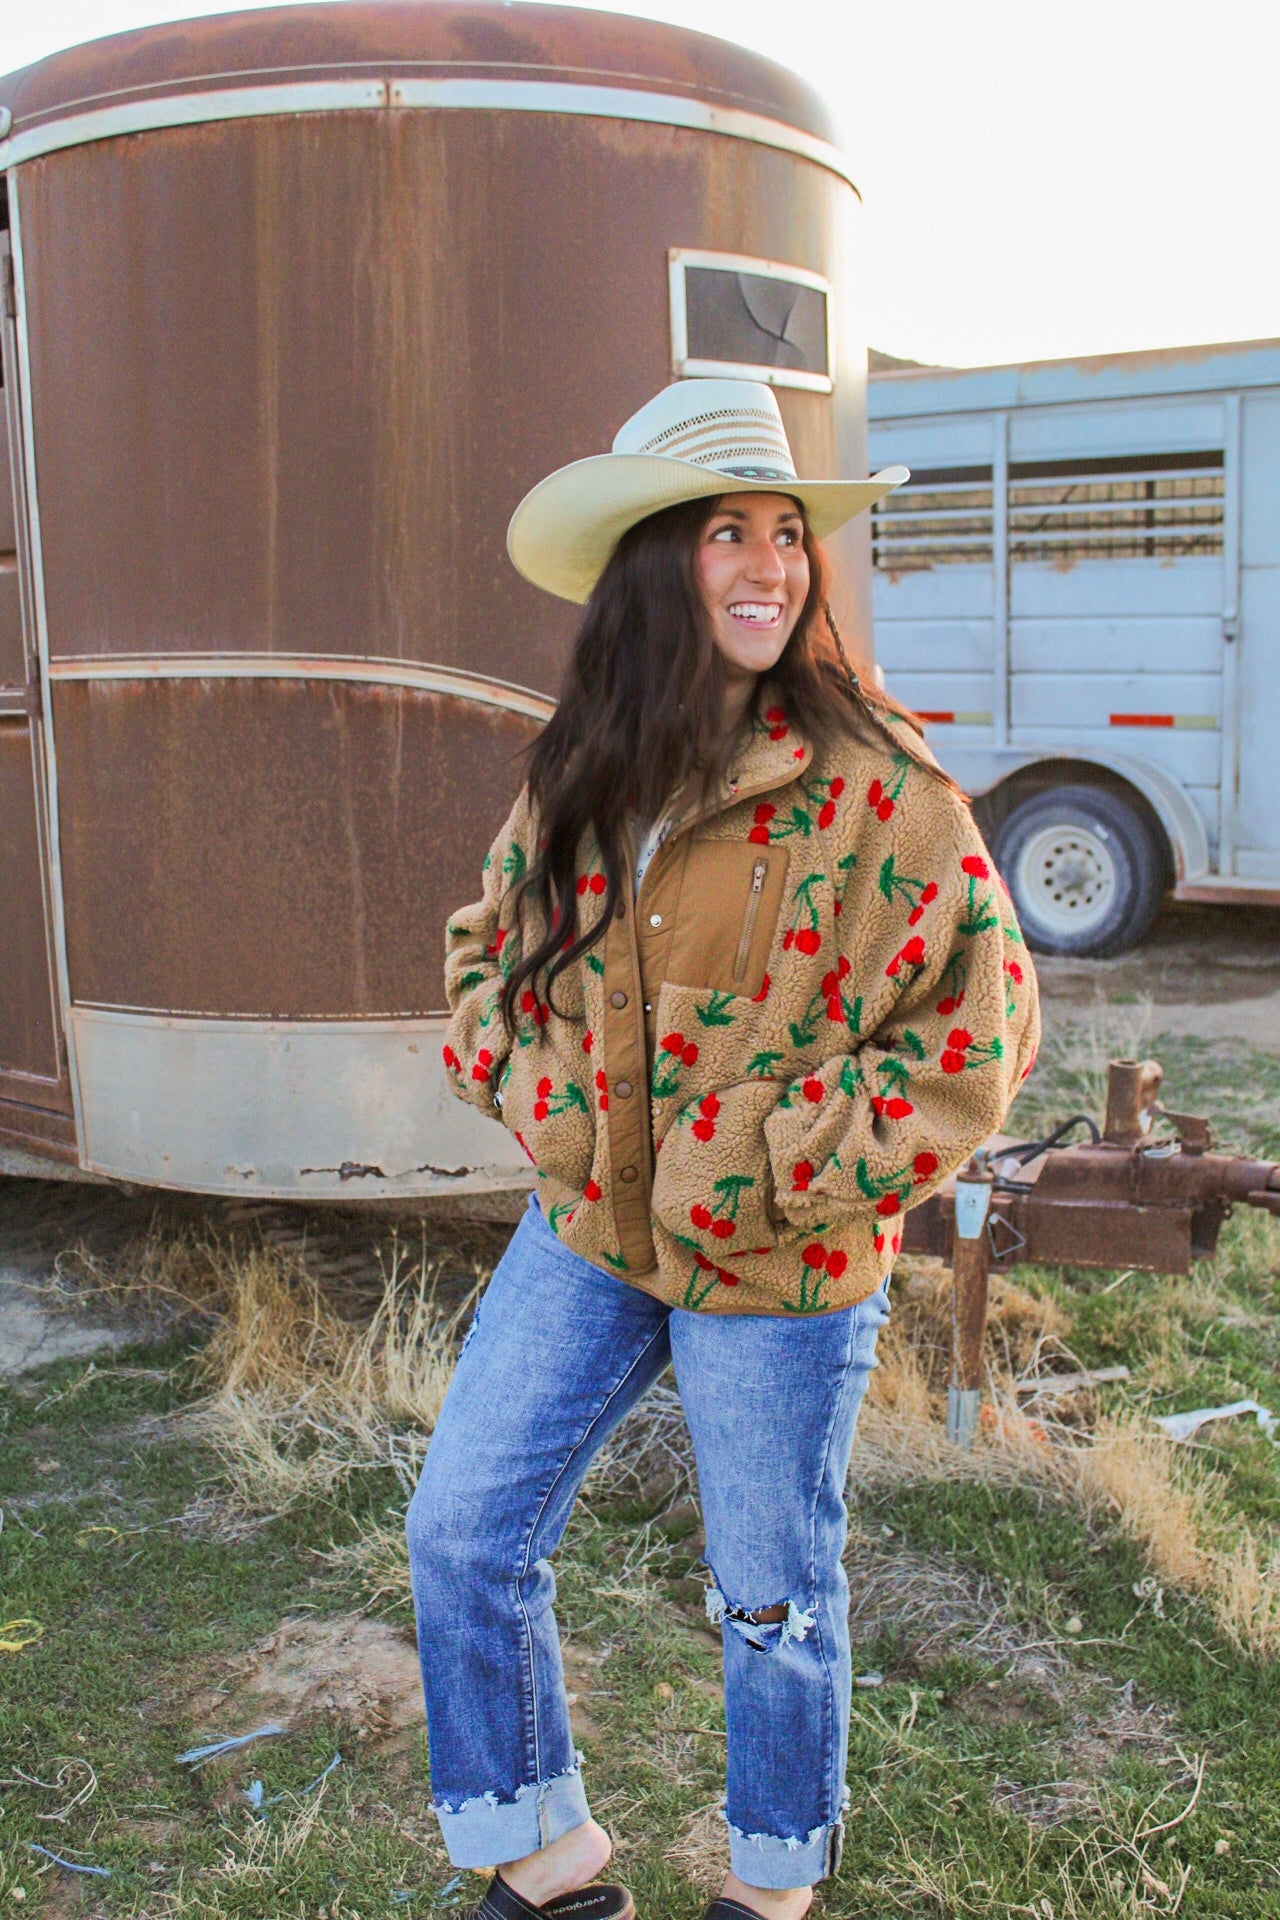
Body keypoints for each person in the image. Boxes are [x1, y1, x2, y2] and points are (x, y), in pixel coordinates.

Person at [407, 379, 1040, 1920]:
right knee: (462, 1530)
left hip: (783, 1258)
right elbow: (482, 954)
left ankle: (769, 1892)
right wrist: (546, 1098)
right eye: (726, 533)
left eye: (787, 534)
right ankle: (544, 1858)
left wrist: (763, 1161)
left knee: (771, 1601)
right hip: (589, 1232)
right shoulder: (590, 759)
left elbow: (985, 1034)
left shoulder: (884, 788)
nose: (769, 564)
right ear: (653, 560)